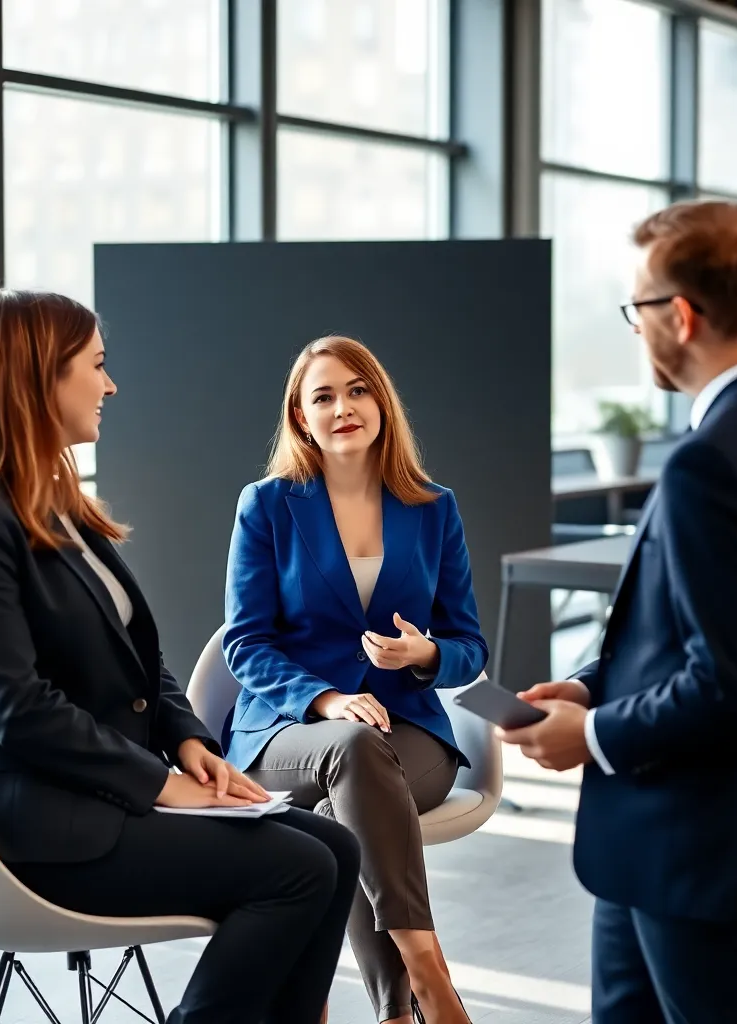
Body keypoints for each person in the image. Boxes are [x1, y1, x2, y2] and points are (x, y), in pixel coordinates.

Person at [0, 290, 360, 1024]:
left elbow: (140, 655)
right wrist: (160, 786)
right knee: (300, 870)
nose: (110, 386)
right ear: (38, 377)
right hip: (37, 827)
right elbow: (19, 708)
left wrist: (188, 740)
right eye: (97, 367)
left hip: (95, 799)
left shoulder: (53, 500)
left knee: (335, 846)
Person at [499, 201, 737, 1023]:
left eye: (638, 308)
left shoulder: (710, 463)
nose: (636, 328)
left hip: (700, 844)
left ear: (680, 315)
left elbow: (732, 689)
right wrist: (595, 688)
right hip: (712, 836)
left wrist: (591, 735)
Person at [222, 335, 487, 1024]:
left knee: (344, 810)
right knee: (350, 749)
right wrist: (328, 699)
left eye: (358, 389)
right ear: (300, 417)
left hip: (409, 733)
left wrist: (425, 655)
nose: (344, 407)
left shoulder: (434, 508)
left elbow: (470, 647)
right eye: (324, 396)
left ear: (381, 400)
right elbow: (244, 644)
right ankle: (430, 977)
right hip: (289, 733)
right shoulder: (268, 506)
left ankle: (395, 1011)